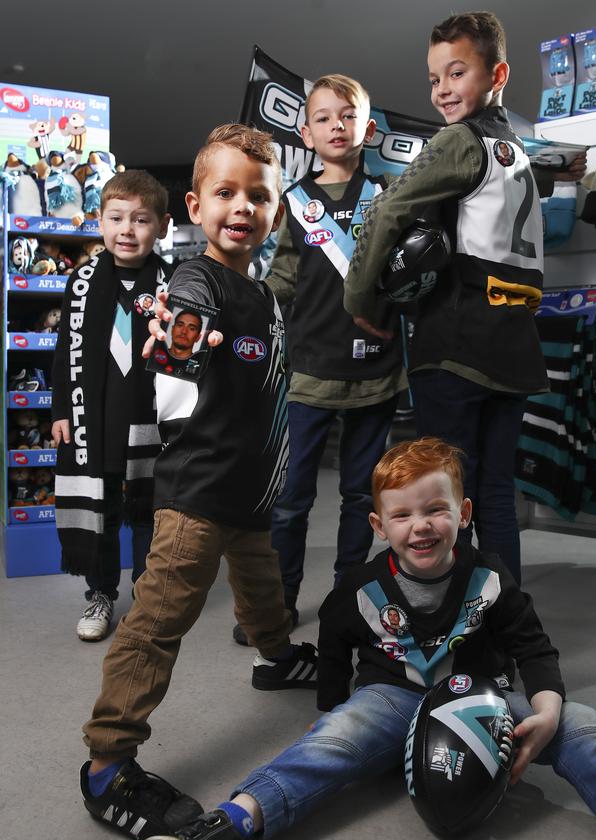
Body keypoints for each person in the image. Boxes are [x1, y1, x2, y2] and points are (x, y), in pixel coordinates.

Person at [131, 437, 596, 840]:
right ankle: (237, 822)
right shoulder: (359, 588)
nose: (421, 526)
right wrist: (331, 706)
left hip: (483, 701)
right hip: (392, 696)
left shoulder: (491, 577)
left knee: (582, 722)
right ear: (378, 525)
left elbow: (534, 647)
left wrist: (547, 711)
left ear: (464, 513)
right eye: (402, 515)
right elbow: (333, 643)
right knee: (331, 742)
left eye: (436, 509)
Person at [78, 124, 319, 840]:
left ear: (275, 211)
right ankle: (106, 762)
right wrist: (175, 345)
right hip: (197, 494)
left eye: (258, 196)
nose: (241, 207)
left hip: (250, 493)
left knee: (263, 588)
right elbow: (179, 347)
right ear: (194, 206)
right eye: (225, 193)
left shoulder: (265, 297)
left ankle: (275, 657)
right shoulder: (197, 280)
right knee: (158, 620)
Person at [342, 12, 585, 584]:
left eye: (457, 73)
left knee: (444, 501)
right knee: (493, 494)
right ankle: (504, 622)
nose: (443, 90)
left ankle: (455, 625)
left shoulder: (461, 140)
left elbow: (386, 208)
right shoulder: (517, 152)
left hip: (455, 345)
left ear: (496, 73)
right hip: (514, 343)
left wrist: (362, 299)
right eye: (434, 79)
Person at [246, 73, 405, 642]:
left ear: (367, 127)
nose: (336, 125)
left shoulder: (389, 197)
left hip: (375, 376)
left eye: (348, 115)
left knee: (362, 497)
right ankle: (280, 602)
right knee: (291, 499)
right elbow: (281, 282)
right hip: (308, 374)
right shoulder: (293, 202)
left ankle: (347, 599)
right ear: (305, 131)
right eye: (323, 117)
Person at [51, 169, 172, 640]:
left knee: (148, 512)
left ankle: (145, 597)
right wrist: (62, 410)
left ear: (161, 225)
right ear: (99, 222)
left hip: (150, 422)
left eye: (140, 220)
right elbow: (64, 351)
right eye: (116, 218)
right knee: (100, 513)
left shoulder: (174, 281)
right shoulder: (81, 282)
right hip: (94, 419)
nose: (127, 230)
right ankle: (100, 593)